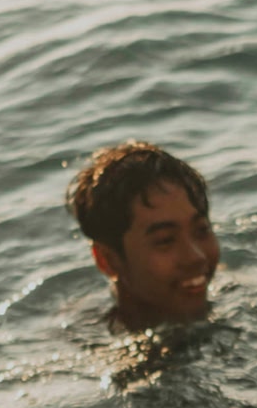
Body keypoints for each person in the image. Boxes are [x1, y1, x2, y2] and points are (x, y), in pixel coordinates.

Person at [66, 142, 221, 331]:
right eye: (165, 240)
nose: (196, 257)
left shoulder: (237, 294)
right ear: (108, 260)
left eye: (202, 230)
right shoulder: (91, 346)